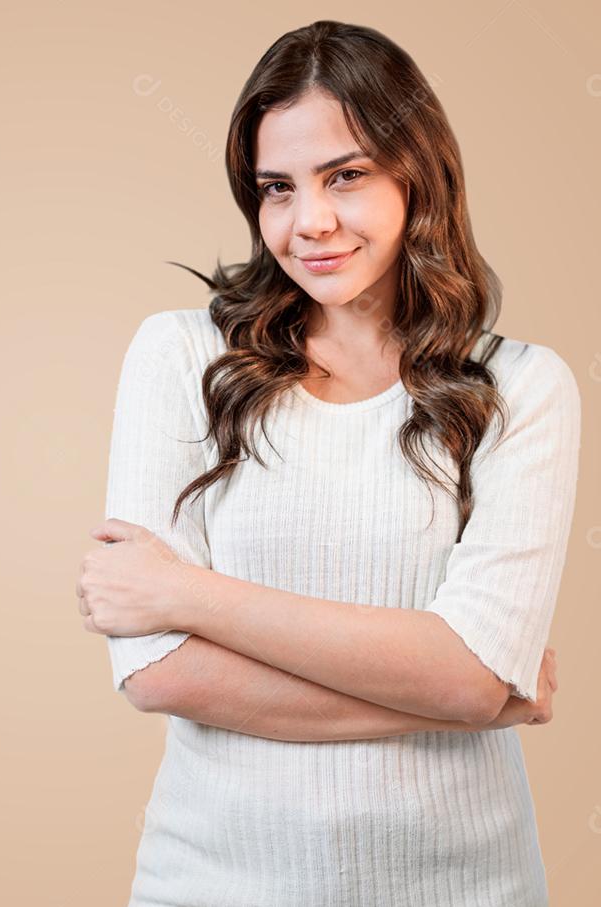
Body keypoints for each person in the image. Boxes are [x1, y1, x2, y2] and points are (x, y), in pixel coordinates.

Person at [75, 19, 581, 907]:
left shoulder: (523, 388)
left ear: (416, 174)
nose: (308, 221)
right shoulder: (179, 358)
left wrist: (192, 596)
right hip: (214, 883)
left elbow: (469, 671)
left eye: (345, 175)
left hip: (466, 886)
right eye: (278, 187)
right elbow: (160, 672)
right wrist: (473, 696)